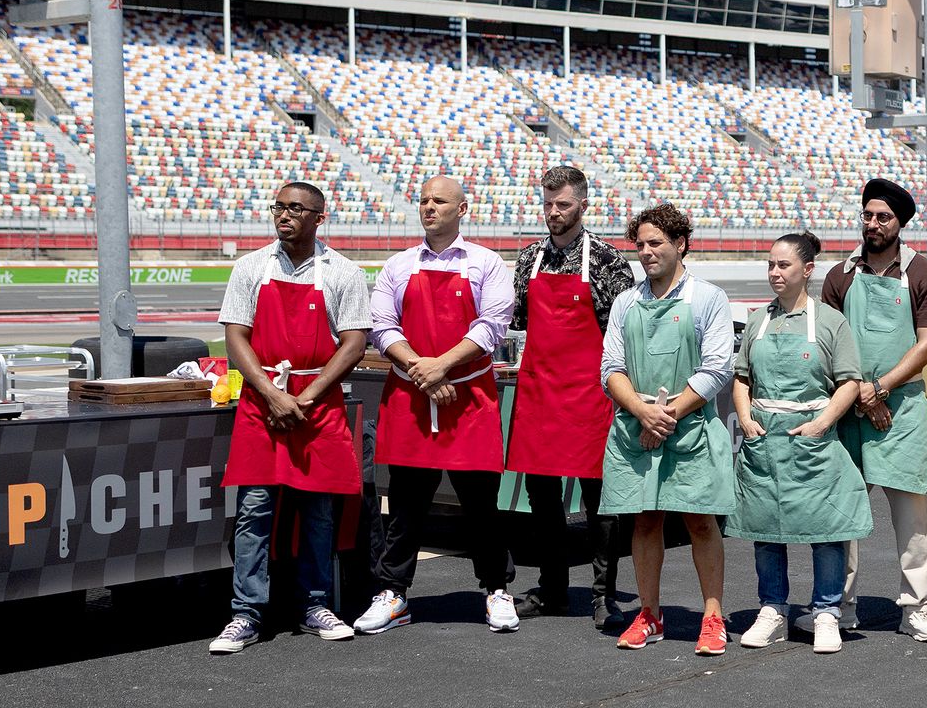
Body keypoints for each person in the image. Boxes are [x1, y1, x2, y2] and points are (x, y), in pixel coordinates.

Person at [209, 182, 371, 654]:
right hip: (264, 403)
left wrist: (307, 396)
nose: (285, 215)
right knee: (254, 511)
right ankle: (246, 613)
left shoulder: (343, 272)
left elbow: (354, 342)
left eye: (296, 208)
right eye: (279, 206)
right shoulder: (250, 268)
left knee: (317, 513)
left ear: (319, 218)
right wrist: (271, 394)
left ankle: (315, 604)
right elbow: (236, 338)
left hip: (316, 406)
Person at [359, 176, 520, 634]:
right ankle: (393, 592)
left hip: (469, 398)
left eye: (440, 201)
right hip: (412, 397)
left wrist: (441, 367)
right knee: (406, 503)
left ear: (462, 209)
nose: (429, 208)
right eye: (424, 201)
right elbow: (382, 325)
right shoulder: (397, 265)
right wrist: (421, 371)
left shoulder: (486, 264)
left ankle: (496, 588)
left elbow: (492, 326)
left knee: (481, 505)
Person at [600, 203, 737, 655]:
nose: (645, 252)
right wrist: (642, 412)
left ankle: (713, 616)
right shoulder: (626, 301)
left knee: (700, 521)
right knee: (644, 519)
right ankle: (650, 613)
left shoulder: (707, 298)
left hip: (690, 428)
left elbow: (717, 368)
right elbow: (611, 369)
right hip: (637, 426)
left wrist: (667, 414)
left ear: (680, 244)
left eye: (655, 243)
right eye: (639, 244)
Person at [816, 178, 927, 642]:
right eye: (868, 216)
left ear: (901, 223)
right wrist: (861, 393)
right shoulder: (839, 276)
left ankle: (916, 608)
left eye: (883, 218)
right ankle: (838, 604)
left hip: (903, 411)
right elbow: (828, 343)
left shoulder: (924, 273)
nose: (872, 224)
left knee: (912, 518)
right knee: (843, 513)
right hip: (848, 408)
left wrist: (880, 389)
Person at [505, 166, 636, 629]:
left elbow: (623, 332)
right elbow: (519, 319)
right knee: (542, 498)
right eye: (547, 204)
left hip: (590, 393)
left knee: (600, 500)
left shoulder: (605, 260)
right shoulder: (528, 259)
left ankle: (604, 594)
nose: (553, 213)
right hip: (540, 392)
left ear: (583, 205)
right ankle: (554, 588)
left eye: (563, 204)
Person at [727, 232, 869, 655]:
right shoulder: (758, 320)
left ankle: (826, 613)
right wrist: (748, 417)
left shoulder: (830, 321)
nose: (774, 272)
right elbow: (742, 377)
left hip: (813, 436)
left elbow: (849, 382)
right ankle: (772, 609)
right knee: (767, 529)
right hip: (766, 438)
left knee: (826, 530)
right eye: (770, 264)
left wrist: (822, 423)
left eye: (783, 265)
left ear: (807, 270)